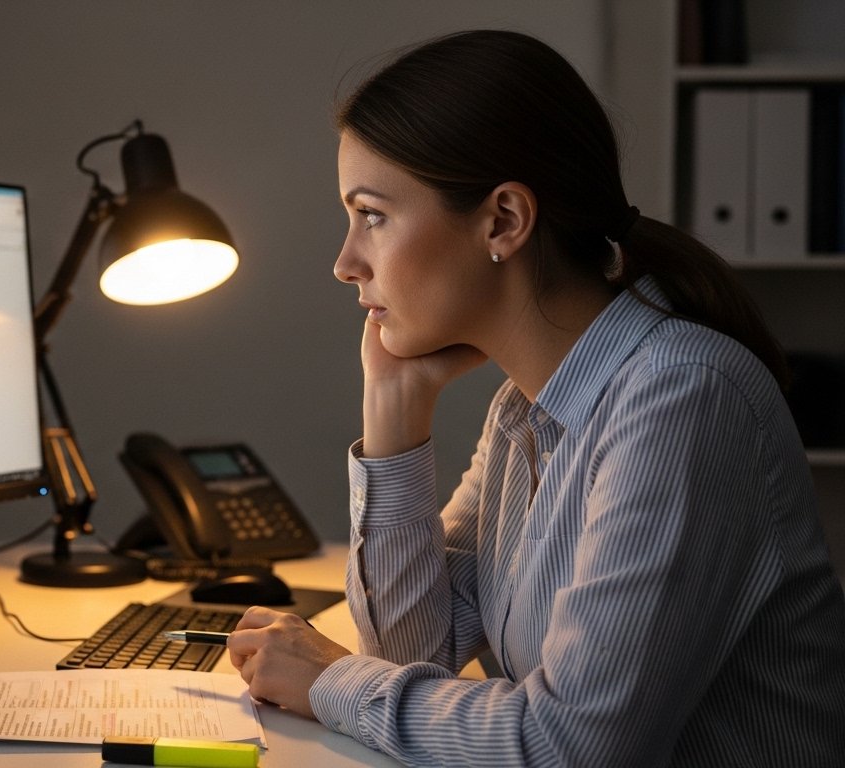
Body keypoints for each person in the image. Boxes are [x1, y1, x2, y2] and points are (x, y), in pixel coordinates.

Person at [225, 29, 845, 767]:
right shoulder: (526, 410)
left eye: (373, 216)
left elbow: (571, 747)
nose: (344, 262)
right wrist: (393, 412)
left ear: (504, 221)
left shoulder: (681, 400)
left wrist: (330, 681)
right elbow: (410, 651)